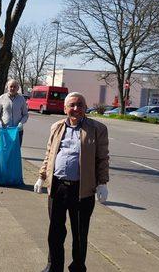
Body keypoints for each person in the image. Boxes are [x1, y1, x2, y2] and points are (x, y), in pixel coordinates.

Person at [34, 92, 110, 272]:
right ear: (65, 108)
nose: (77, 109)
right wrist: (41, 176)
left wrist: (102, 183)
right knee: (55, 232)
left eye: (80, 105)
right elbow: (49, 154)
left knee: (79, 233)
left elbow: (102, 158)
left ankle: (77, 267)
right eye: (73, 105)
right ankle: (53, 266)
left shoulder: (97, 128)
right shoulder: (57, 127)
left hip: (81, 190)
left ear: (85, 107)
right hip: (58, 187)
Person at [0, 79, 29, 145]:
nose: (12, 88)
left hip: (17, 131)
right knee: (3, 152)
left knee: (15, 152)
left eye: (15, 87)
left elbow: (25, 114)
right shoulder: (2, 98)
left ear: (18, 88)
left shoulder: (21, 99)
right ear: (7, 87)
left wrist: (21, 123)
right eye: (11, 86)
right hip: (4, 130)